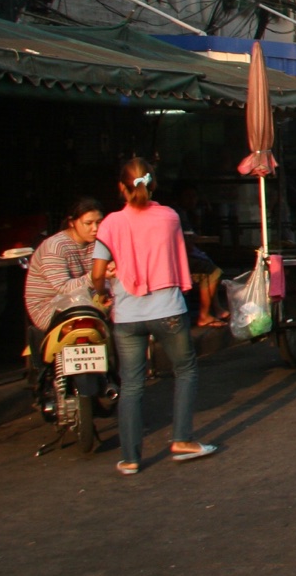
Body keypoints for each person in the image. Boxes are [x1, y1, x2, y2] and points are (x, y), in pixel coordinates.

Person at [95, 158, 216, 476]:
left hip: (127, 314)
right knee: (185, 371)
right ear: (153, 184)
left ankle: (131, 458)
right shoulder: (170, 217)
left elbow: (97, 272)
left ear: (121, 188)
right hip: (169, 309)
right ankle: (182, 440)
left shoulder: (110, 224)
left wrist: (103, 290)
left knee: (132, 384)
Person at [26, 197, 103, 332]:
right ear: (72, 222)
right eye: (88, 223)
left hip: (85, 300)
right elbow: (64, 288)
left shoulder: (98, 243)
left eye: (99, 222)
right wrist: (97, 275)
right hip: (50, 308)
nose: (95, 228)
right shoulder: (55, 247)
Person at [175, 185, 223, 329]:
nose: (192, 200)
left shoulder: (187, 213)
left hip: (184, 256)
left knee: (209, 267)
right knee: (213, 271)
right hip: (179, 259)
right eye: (188, 197)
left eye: (194, 197)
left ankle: (216, 308)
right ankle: (204, 314)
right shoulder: (175, 214)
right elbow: (188, 242)